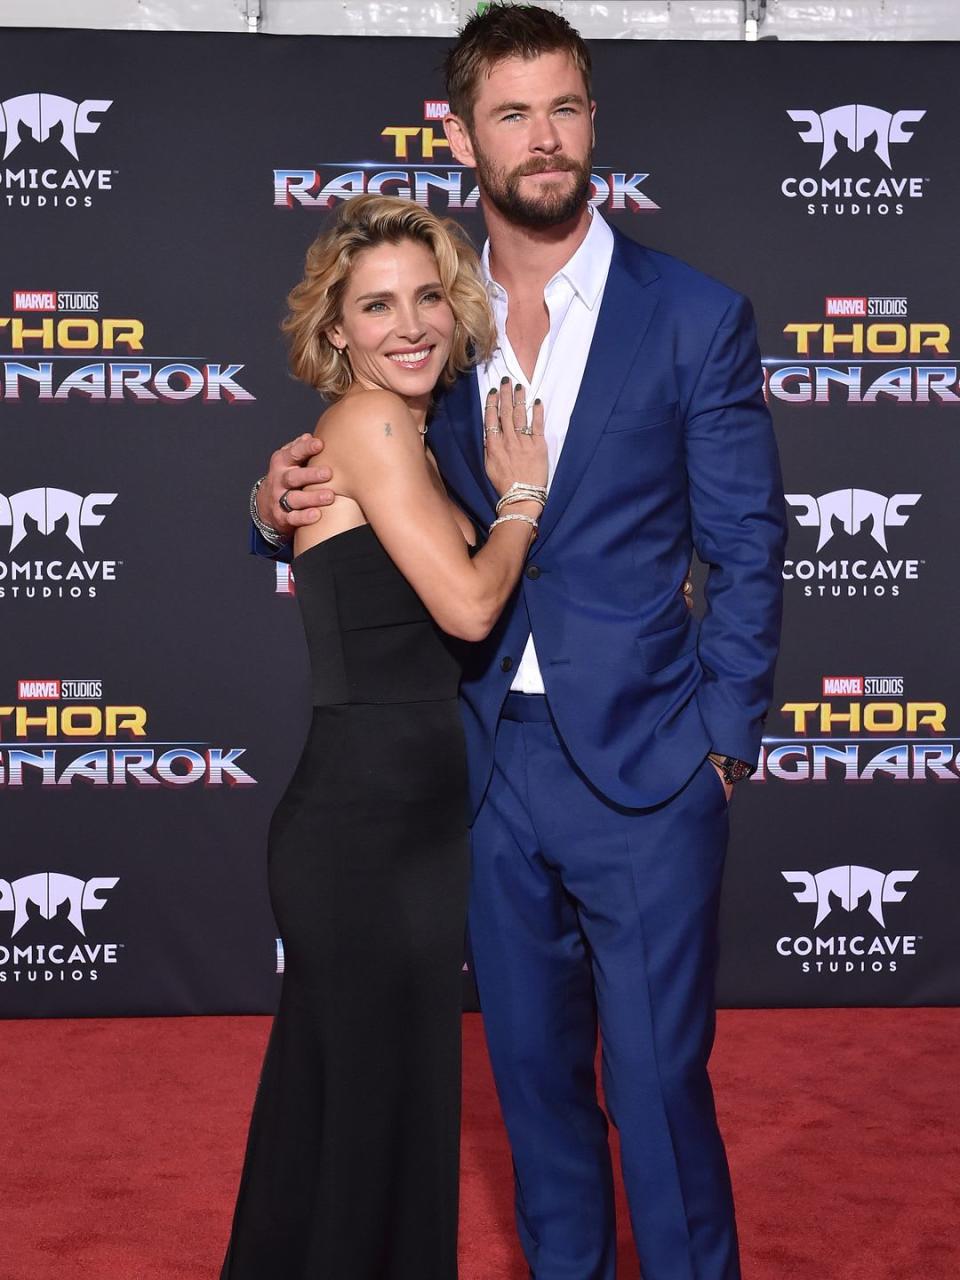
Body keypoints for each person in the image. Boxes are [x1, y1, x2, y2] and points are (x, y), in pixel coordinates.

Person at [249, 7, 787, 1278]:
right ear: (460, 133)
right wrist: (268, 505)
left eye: (565, 108)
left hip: (652, 767)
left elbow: (751, 545)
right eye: (512, 113)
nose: (543, 140)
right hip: (477, 765)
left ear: (593, 119)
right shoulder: (432, 317)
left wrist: (724, 739)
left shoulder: (693, 314)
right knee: (535, 1097)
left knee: (659, 1091)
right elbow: (361, 486)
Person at [222, 194, 548, 1280]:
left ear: (456, 310)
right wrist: (523, 501)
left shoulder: (418, 426)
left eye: (425, 298)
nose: (406, 323)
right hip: (360, 832)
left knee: (362, 1112)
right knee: (366, 1115)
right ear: (336, 333)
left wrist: (270, 511)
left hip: (413, 824)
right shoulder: (365, 421)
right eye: (375, 305)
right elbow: (464, 608)